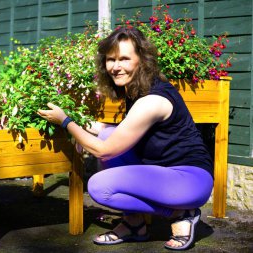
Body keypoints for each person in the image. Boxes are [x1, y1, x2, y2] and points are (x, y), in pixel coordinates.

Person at [37, 27, 213, 251]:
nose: (115, 66)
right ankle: (134, 225)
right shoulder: (137, 90)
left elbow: (104, 151)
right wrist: (81, 121)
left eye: (124, 59)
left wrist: (66, 121)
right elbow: (116, 132)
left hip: (188, 180)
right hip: (163, 173)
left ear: (142, 60)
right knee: (109, 132)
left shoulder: (152, 101)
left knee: (100, 187)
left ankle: (181, 212)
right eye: (111, 59)